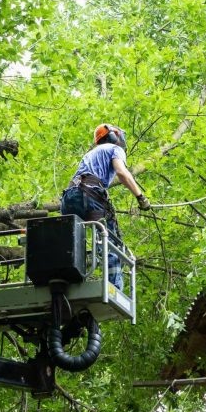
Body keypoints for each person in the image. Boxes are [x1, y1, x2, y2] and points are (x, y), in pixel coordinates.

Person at [61, 123, 150, 290]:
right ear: (115, 137)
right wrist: (141, 197)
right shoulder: (115, 149)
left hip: (69, 198)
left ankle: (66, 281)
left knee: (71, 243)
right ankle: (114, 289)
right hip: (89, 195)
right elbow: (122, 172)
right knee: (110, 241)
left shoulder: (91, 154)